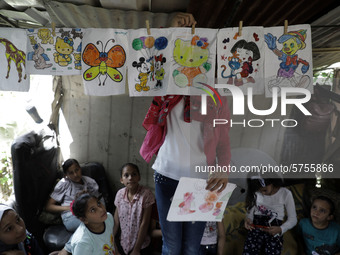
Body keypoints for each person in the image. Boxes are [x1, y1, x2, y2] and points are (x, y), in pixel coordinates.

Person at [242, 175, 297, 255]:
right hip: (256, 228)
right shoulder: (256, 192)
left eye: (264, 190)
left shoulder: (285, 193)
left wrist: (281, 229)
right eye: (259, 191)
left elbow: (293, 219)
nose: (262, 193)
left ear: (271, 182)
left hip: (274, 230)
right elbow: (250, 213)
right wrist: (248, 220)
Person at [45, 158, 102, 232]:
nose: (75, 174)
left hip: (87, 212)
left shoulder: (89, 182)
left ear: (80, 169)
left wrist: (87, 197)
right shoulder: (64, 184)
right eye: (71, 173)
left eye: (77, 170)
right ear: (66, 175)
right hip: (70, 216)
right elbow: (49, 207)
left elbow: (98, 201)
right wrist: (70, 207)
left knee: (102, 220)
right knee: (93, 225)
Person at [113, 163, 155, 255]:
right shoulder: (120, 194)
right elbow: (116, 222)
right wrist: (112, 243)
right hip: (123, 244)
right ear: (121, 180)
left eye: (134, 174)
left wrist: (137, 249)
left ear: (139, 177)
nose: (130, 178)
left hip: (141, 245)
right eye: (126, 175)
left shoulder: (146, 194)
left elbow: (145, 223)